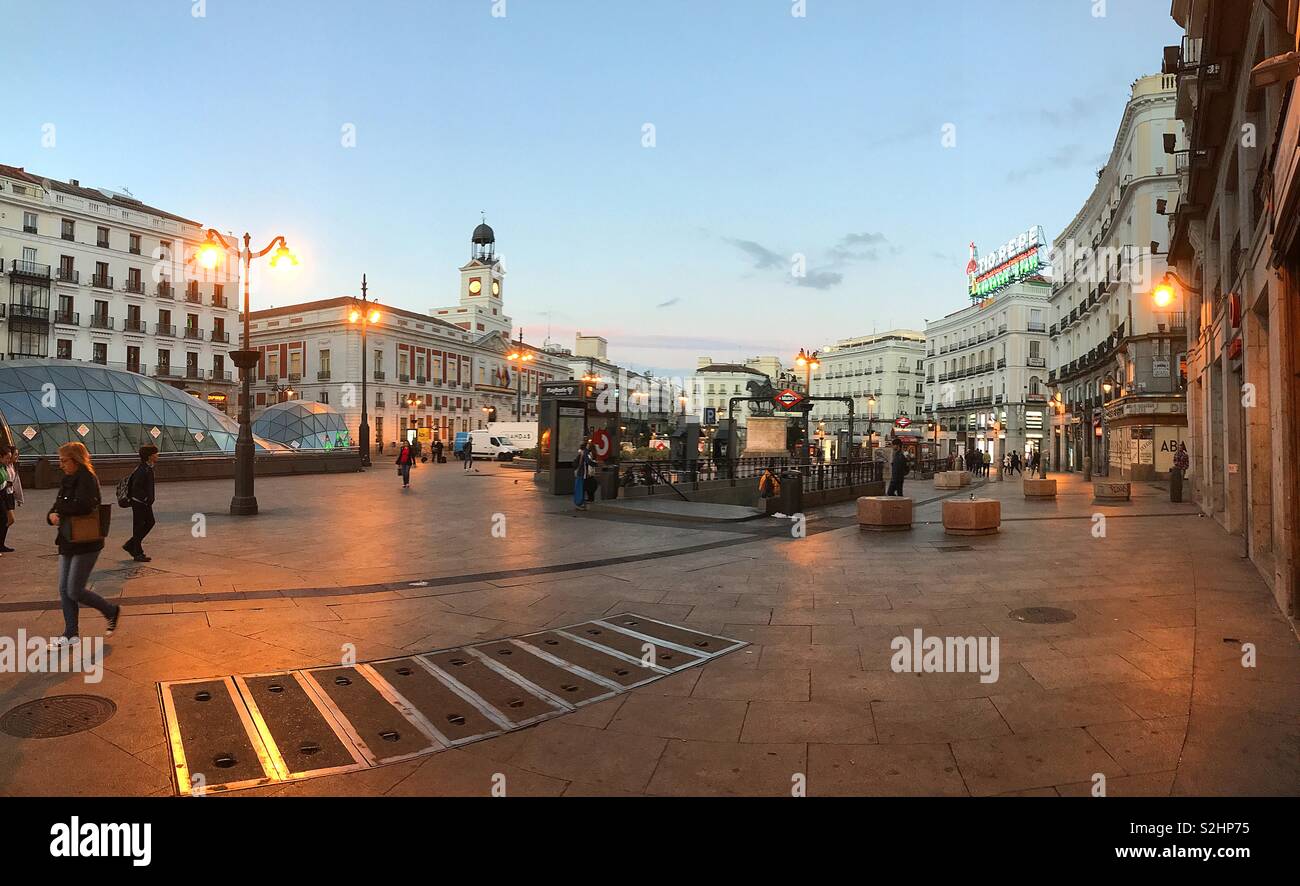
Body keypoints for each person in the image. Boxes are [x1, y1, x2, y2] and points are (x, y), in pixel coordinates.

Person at [47, 442, 119, 642]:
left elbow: (85, 505)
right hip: (67, 539)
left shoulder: (87, 478)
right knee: (64, 588)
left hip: (85, 542)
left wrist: (60, 511)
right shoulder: (67, 478)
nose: (61, 465)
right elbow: (57, 504)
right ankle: (71, 633)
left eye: (64, 461)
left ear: (76, 460)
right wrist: (51, 515)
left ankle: (111, 611)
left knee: (74, 589)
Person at [122, 445, 158, 562]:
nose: (157, 455)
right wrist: (146, 498)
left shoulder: (146, 468)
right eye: (155, 454)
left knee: (148, 523)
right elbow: (136, 487)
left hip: (143, 503)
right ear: (149, 456)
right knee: (140, 526)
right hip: (140, 503)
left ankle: (131, 545)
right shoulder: (143, 469)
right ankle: (137, 552)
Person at [1, 446, 23, 555]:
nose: (16, 457)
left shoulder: (13, 466)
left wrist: (19, 498)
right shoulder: (4, 467)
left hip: (9, 495)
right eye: (15, 455)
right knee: (7, 519)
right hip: (4, 495)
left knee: (7, 520)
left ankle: (1, 543)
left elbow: (16, 483)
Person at [573, 441, 591, 509]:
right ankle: (579, 503)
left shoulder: (580, 454)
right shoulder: (584, 454)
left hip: (581, 474)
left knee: (580, 488)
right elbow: (588, 462)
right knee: (580, 488)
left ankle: (580, 502)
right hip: (581, 474)